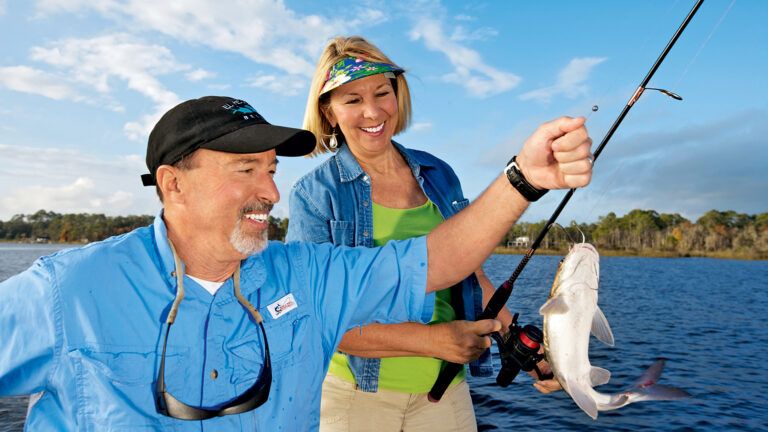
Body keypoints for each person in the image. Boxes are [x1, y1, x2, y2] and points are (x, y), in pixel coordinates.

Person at [0, 93, 592, 431]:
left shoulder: (307, 273)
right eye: (245, 170)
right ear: (172, 183)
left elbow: (436, 260)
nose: (272, 192)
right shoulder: (68, 290)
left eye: (272, 169)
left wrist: (523, 179)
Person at [287, 36, 561, 431]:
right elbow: (318, 318)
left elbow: (474, 276)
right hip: (353, 398)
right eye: (351, 100)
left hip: (444, 391)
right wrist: (433, 341)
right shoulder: (314, 196)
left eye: (383, 92)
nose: (372, 111)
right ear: (328, 113)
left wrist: (519, 342)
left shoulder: (440, 174)